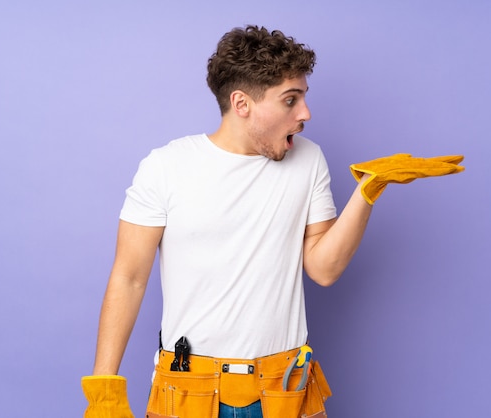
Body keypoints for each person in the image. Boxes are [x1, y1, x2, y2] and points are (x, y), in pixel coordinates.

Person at [81, 25, 464, 418]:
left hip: (286, 388)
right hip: (189, 390)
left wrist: (368, 191)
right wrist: (104, 388)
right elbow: (129, 277)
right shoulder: (165, 167)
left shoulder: (309, 160)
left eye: (304, 98)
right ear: (242, 103)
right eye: (290, 100)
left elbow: (324, 268)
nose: (305, 114)